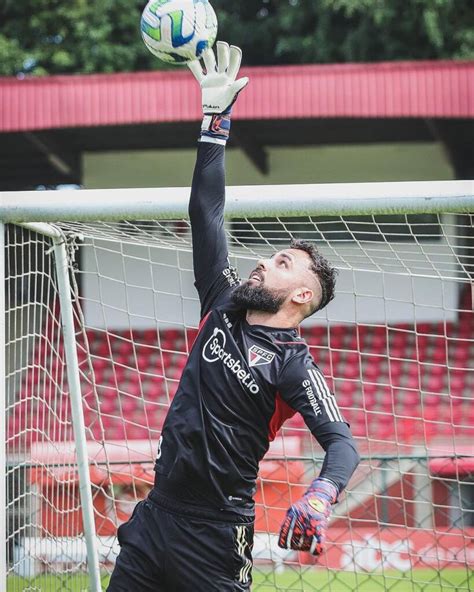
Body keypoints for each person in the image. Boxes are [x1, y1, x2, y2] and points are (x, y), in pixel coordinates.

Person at [107, 42, 360, 592]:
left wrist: (318, 497)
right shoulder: (221, 301)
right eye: (271, 256)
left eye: (281, 263)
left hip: (218, 535)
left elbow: (342, 445)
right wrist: (214, 121)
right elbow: (208, 211)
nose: (264, 261)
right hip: (156, 517)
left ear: (300, 298)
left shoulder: (294, 367)